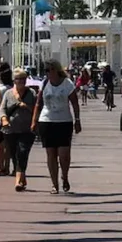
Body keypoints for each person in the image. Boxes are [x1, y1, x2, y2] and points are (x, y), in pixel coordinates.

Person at [31, 60, 81, 194]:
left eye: (50, 69)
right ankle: (54, 184)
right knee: (50, 154)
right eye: (46, 70)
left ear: (56, 70)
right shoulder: (45, 83)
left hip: (64, 122)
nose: (47, 73)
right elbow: (38, 103)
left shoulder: (67, 84)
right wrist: (34, 121)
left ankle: (64, 176)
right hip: (47, 121)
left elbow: (75, 103)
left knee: (64, 154)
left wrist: (77, 120)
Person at [0, 69, 37, 192]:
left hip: (27, 130)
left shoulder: (31, 93)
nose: (21, 81)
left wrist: (25, 106)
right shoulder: (8, 93)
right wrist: (4, 119)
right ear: (14, 80)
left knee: (22, 152)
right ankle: (22, 176)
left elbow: (37, 110)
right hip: (10, 130)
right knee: (14, 155)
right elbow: (2, 109)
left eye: (23, 79)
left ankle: (17, 181)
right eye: (18, 79)